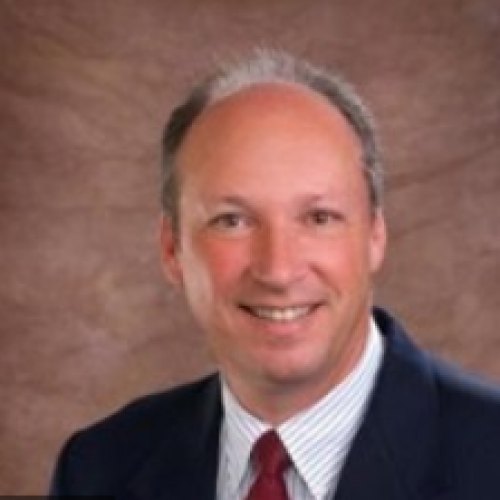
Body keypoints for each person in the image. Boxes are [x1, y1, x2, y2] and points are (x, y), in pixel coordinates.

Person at [50, 49, 500, 499]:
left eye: (319, 218)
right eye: (232, 221)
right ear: (172, 249)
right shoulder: (98, 470)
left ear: (375, 236)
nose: (278, 271)